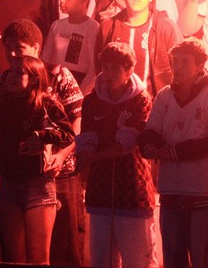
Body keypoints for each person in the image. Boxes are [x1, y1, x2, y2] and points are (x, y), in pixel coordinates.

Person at [138, 39, 208, 268]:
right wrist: (148, 144)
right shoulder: (164, 96)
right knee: (173, 261)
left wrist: (173, 152)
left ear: (200, 65)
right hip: (171, 192)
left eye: (184, 62)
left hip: (203, 194)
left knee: (201, 261)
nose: (176, 67)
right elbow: (152, 129)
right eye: (174, 62)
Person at [0, 53, 74, 265]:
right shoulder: (3, 104)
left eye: (18, 72)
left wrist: (41, 135)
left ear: (34, 78)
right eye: (10, 70)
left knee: (40, 261)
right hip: (10, 184)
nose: (11, 76)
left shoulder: (47, 103)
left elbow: (68, 134)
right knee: (15, 260)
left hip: (39, 186)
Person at [76, 42, 157, 268]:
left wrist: (91, 159)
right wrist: (82, 154)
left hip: (133, 193)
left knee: (139, 262)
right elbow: (88, 137)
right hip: (99, 192)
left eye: (115, 67)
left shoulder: (141, 99)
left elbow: (127, 145)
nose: (108, 73)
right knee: (101, 262)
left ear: (129, 70)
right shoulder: (92, 101)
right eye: (105, 66)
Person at [97, 0, 179, 96]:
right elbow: (98, 70)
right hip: (116, 108)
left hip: (155, 109)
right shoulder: (107, 27)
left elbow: (182, 72)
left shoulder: (165, 27)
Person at [42, 0, 99, 90]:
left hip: (78, 84)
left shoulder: (93, 28)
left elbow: (94, 69)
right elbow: (45, 60)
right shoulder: (56, 25)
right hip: (53, 85)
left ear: (84, 0)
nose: (61, 1)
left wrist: (80, 94)